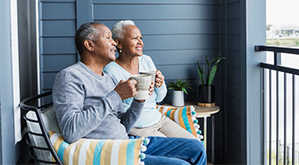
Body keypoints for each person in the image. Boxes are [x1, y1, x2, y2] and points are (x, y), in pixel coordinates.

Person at [52, 22, 206, 164]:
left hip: (127, 141)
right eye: (108, 38)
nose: (114, 42)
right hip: (112, 151)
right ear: (89, 45)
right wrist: (116, 95)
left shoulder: (108, 80)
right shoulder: (70, 76)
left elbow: (123, 125)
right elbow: (71, 131)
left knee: (196, 148)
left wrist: (140, 99)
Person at [103, 20, 196, 139]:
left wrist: (160, 85)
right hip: (138, 127)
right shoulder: (110, 70)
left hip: (159, 120)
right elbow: (114, 111)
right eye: (134, 38)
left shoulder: (146, 60)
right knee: (178, 152)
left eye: (141, 38)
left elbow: (159, 98)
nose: (140, 42)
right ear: (119, 43)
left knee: (195, 144)